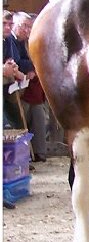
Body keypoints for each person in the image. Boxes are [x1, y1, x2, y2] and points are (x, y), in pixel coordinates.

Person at [10, 12, 48, 161]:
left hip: (29, 86)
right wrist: (30, 68)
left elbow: (30, 61)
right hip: (17, 87)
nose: (27, 30)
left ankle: (39, 152)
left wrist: (31, 67)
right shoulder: (11, 41)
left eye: (29, 27)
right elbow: (18, 61)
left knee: (38, 116)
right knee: (20, 120)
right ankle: (22, 155)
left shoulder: (23, 42)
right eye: (23, 26)